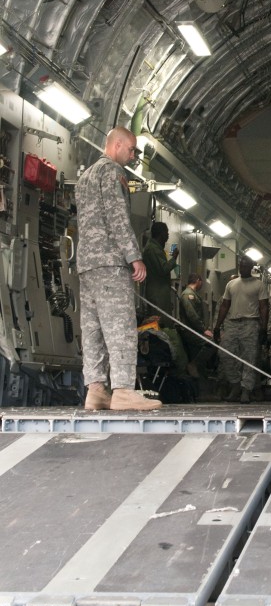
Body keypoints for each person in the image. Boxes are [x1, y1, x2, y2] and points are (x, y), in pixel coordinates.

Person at [75, 127, 162, 411]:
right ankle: (123, 390)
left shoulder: (85, 176)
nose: (134, 155)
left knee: (93, 329)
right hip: (111, 264)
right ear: (118, 145)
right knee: (121, 326)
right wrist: (134, 257)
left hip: (87, 265)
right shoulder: (112, 172)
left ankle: (96, 390)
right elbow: (117, 217)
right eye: (132, 149)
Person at [214, 256, 269, 403]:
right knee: (225, 354)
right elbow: (225, 305)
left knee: (249, 358)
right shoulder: (231, 284)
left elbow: (264, 307)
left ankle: (246, 390)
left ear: (250, 267)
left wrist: (264, 328)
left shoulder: (259, 284)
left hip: (250, 324)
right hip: (232, 324)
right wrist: (217, 326)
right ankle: (235, 384)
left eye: (245, 266)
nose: (242, 268)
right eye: (240, 265)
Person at [179, 273, 218, 388]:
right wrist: (203, 330)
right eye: (201, 282)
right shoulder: (188, 295)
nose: (201, 284)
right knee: (210, 343)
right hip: (190, 331)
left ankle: (200, 388)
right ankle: (193, 365)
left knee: (198, 357)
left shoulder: (193, 294)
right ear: (197, 280)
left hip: (194, 331)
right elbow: (192, 315)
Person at [142, 221, 179, 321]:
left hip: (161, 292)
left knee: (164, 319)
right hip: (157, 294)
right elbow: (163, 269)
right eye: (166, 232)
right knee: (160, 321)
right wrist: (174, 258)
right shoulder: (153, 249)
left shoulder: (156, 248)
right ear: (161, 233)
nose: (168, 235)